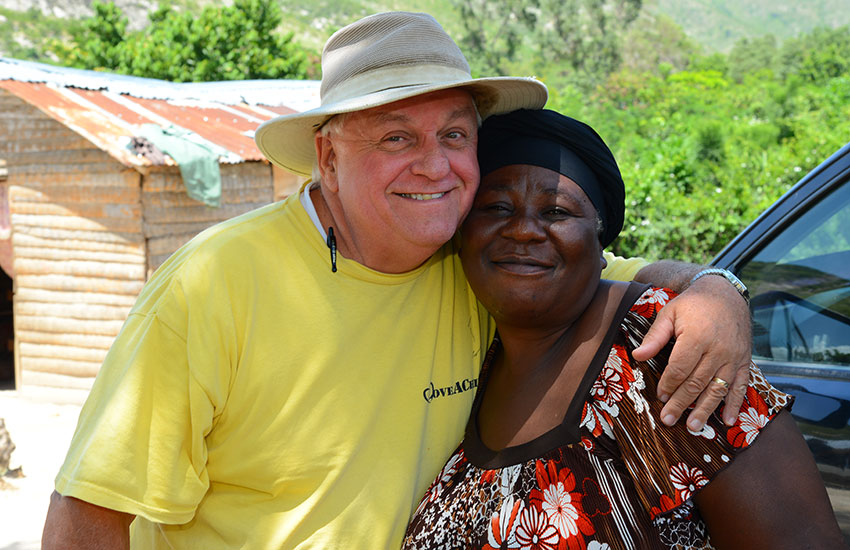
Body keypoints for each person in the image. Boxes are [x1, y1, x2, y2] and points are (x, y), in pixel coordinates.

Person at [42, 12, 754, 549]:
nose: (435, 167)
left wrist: (718, 289)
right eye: (396, 137)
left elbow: (617, 275)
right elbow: (89, 512)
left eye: (454, 134)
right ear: (327, 157)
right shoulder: (214, 286)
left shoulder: (476, 269)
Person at [403, 108, 845, 549]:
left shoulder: (661, 349)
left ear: (601, 246)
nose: (523, 230)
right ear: (462, 234)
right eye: (496, 207)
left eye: (556, 211)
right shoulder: (475, 356)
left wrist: (718, 289)